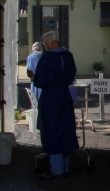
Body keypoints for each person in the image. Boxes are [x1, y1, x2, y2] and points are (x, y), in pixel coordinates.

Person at [32, 30, 79, 179]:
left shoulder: (47, 59)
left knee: (52, 130)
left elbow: (38, 81)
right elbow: (72, 76)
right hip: (64, 96)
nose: (45, 45)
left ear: (49, 42)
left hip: (51, 98)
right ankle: (65, 167)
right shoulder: (68, 56)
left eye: (45, 43)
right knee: (66, 128)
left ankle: (56, 168)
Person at [25, 42, 44, 108]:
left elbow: (29, 73)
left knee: (35, 101)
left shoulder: (30, 57)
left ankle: (37, 115)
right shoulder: (45, 56)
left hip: (35, 82)